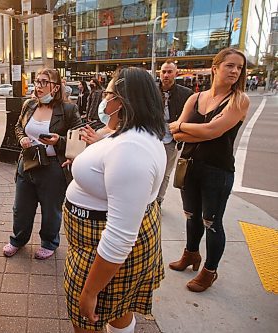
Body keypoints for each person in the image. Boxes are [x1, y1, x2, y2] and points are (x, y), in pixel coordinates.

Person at [64, 67, 166, 333]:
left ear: (120, 101)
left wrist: (89, 291)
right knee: (120, 309)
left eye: (107, 94)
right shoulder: (131, 134)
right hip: (93, 242)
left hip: (100, 247)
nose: (103, 100)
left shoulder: (131, 151)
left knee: (88, 318)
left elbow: (120, 237)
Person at [168, 48, 249, 292]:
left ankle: (209, 271)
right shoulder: (195, 98)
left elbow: (213, 131)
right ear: (215, 68)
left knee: (211, 222)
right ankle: (191, 254)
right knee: (191, 215)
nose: (235, 71)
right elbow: (176, 134)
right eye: (230, 66)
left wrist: (183, 125)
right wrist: (187, 130)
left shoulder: (239, 100)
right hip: (190, 165)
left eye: (239, 67)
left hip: (218, 170)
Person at [3, 68, 82, 260]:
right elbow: (18, 127)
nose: (38, 86)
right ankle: (18, 240)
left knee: (51, 209)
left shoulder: (68, 109)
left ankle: (49, 242)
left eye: (44, 82)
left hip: (52, 167)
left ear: (55, 87)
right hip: (27, 163)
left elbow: (78, 138)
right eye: (37, 81)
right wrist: (22, 139)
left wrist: (58, 141)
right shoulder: (29, 104)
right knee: (21, 207)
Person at [156, 59, 193, 206]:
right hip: (152, 136)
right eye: (163, 72)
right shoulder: (152, 90)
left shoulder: (186, 93)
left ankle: (158, 200)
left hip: (171, 139)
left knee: (165, 173)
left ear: (176, 73)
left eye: (169, 72)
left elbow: (190, 117)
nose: (166, 75)